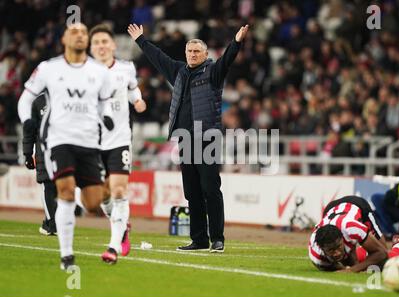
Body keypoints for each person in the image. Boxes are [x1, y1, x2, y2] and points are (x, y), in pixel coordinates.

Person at [127, 23, 249, 253]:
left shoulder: (213, 72)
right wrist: (141, 40)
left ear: (205, 55)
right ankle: (199, 239)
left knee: (210, 188)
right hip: (185, 139)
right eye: (189, 51)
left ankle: (217, 238)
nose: (192, 55)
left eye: (196, 52)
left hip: (207, 139)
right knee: (192, 191)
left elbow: (228, 59)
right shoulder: (179, 71)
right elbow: (158, 58)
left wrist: (237, 42)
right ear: (185, 53)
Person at [18, 22, 115, 270]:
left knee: (93, 203)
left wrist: (105, 118)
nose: (80, 36)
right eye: (75, 32)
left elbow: (105, 101)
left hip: (89, 142)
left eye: (84, 33)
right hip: (58, 140)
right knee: (66, 191)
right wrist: (27, 121)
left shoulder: (98, 71)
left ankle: (117, 211)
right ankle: (66, 255)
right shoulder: (48, 69)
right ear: (64, 39)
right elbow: (26, 98)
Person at [87, 23, 146, 264]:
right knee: (101, 198)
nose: (101, 46)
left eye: (104, 41)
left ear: (112, 44)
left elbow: (133, 89)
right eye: (96, 43)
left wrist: (138, 101)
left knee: (119, 190)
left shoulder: (126, 68)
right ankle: (123, 228)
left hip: (120, 139)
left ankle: (112, 247)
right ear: (91, 48)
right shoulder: (83, 73)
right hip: (91, 142)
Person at [309, 195, 399, 272]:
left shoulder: (352, 228)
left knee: (383, 261)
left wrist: (351, 270)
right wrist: (350, 268)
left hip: (358, 205)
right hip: (331, 210)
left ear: (343, 238)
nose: (336, 253)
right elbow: (339, 268)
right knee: (356, 263)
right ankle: (367, 248)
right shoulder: (316, 256)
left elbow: (382, 253)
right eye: (331, 250)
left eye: (338, 247)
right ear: (321, 248)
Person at [22, 93, 57, 236]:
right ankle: (52, 223)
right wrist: (27, 153)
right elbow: (29, 130)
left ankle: (50, 223)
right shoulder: (37, 102)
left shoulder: (64, 95)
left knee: (58, 186)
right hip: (43, 150)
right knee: (48, 185)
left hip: (63, 150)